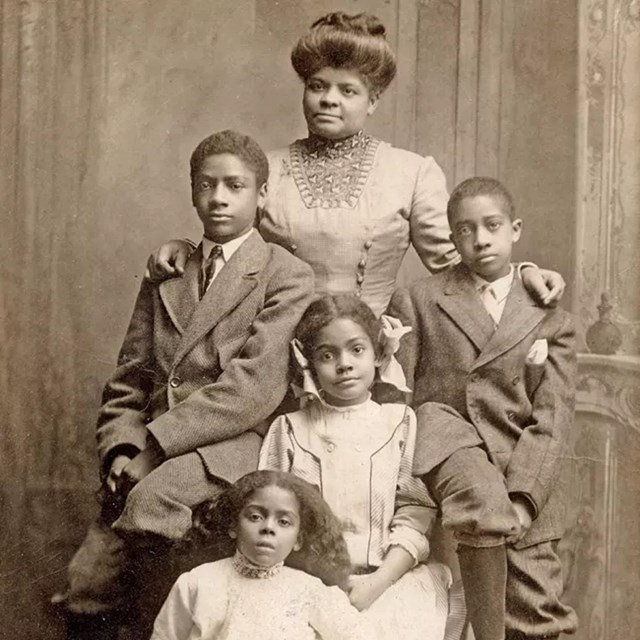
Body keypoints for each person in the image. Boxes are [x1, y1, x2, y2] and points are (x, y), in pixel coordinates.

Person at [52, 130, 315, 639]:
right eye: (206, 185)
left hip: (231, 441)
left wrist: (153, 448)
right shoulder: (169, 271)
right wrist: (121, 448)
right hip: (152, 443)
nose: (218, 198)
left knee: (154, 505)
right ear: (192, 191)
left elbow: (252, 390)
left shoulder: (285, 274)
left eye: (235, 186)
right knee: (86, 580)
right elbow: (129, 379)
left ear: (262, 194)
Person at [145, 11, 565, 318]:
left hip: (369, 355)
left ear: (373, 101)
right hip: (270, 347)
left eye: (348, 90)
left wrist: (521, 273)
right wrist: (185, 249)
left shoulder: (410, 172)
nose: (329, 99)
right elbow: (227, 247)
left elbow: (460, 265)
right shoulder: (265, 169)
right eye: (317, 86)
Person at [387, 177, 578, 640]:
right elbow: (398, 400)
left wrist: (524, 498)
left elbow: (551, 418)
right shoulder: (420, 299)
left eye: (492, 225)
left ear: (514, 229)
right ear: (453, 239)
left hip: (526, 474)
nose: (480, 239)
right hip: (447, 474)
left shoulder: (550, 314)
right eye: (465, 230)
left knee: (536, 614)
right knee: (444, 615)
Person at [259, 295, 462, 640]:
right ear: (307, 363)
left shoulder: (398, 422)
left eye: (356, 350)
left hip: (386, 580)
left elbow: (414, 512)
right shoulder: (290, 428)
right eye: (327, 355)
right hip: (308, 580)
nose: (344, 364)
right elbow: (271, 514)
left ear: (379, 355)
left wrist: (377, 582)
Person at [151, 470, 371, 640]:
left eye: (284, 522)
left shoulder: (309, 590)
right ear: (233, 525)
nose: (268, 527)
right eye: (255, 517)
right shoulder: (197, 582)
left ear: (298, 539)